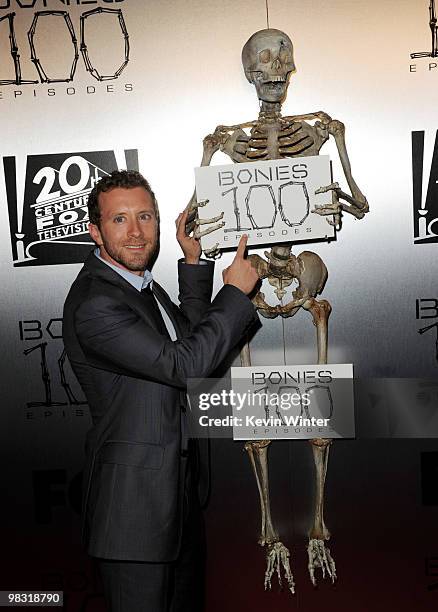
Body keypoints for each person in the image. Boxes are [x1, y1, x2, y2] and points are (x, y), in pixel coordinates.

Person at [62, 170, 259, 612]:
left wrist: (191, 263)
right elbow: (185, 365)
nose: (135, 232)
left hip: (176, 499)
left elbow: (187, 339)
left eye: (145, 217)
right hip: (134, 513)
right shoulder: (98, 302)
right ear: (95, 231)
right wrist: (233, 292)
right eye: (119, 220)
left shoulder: (139, 287)